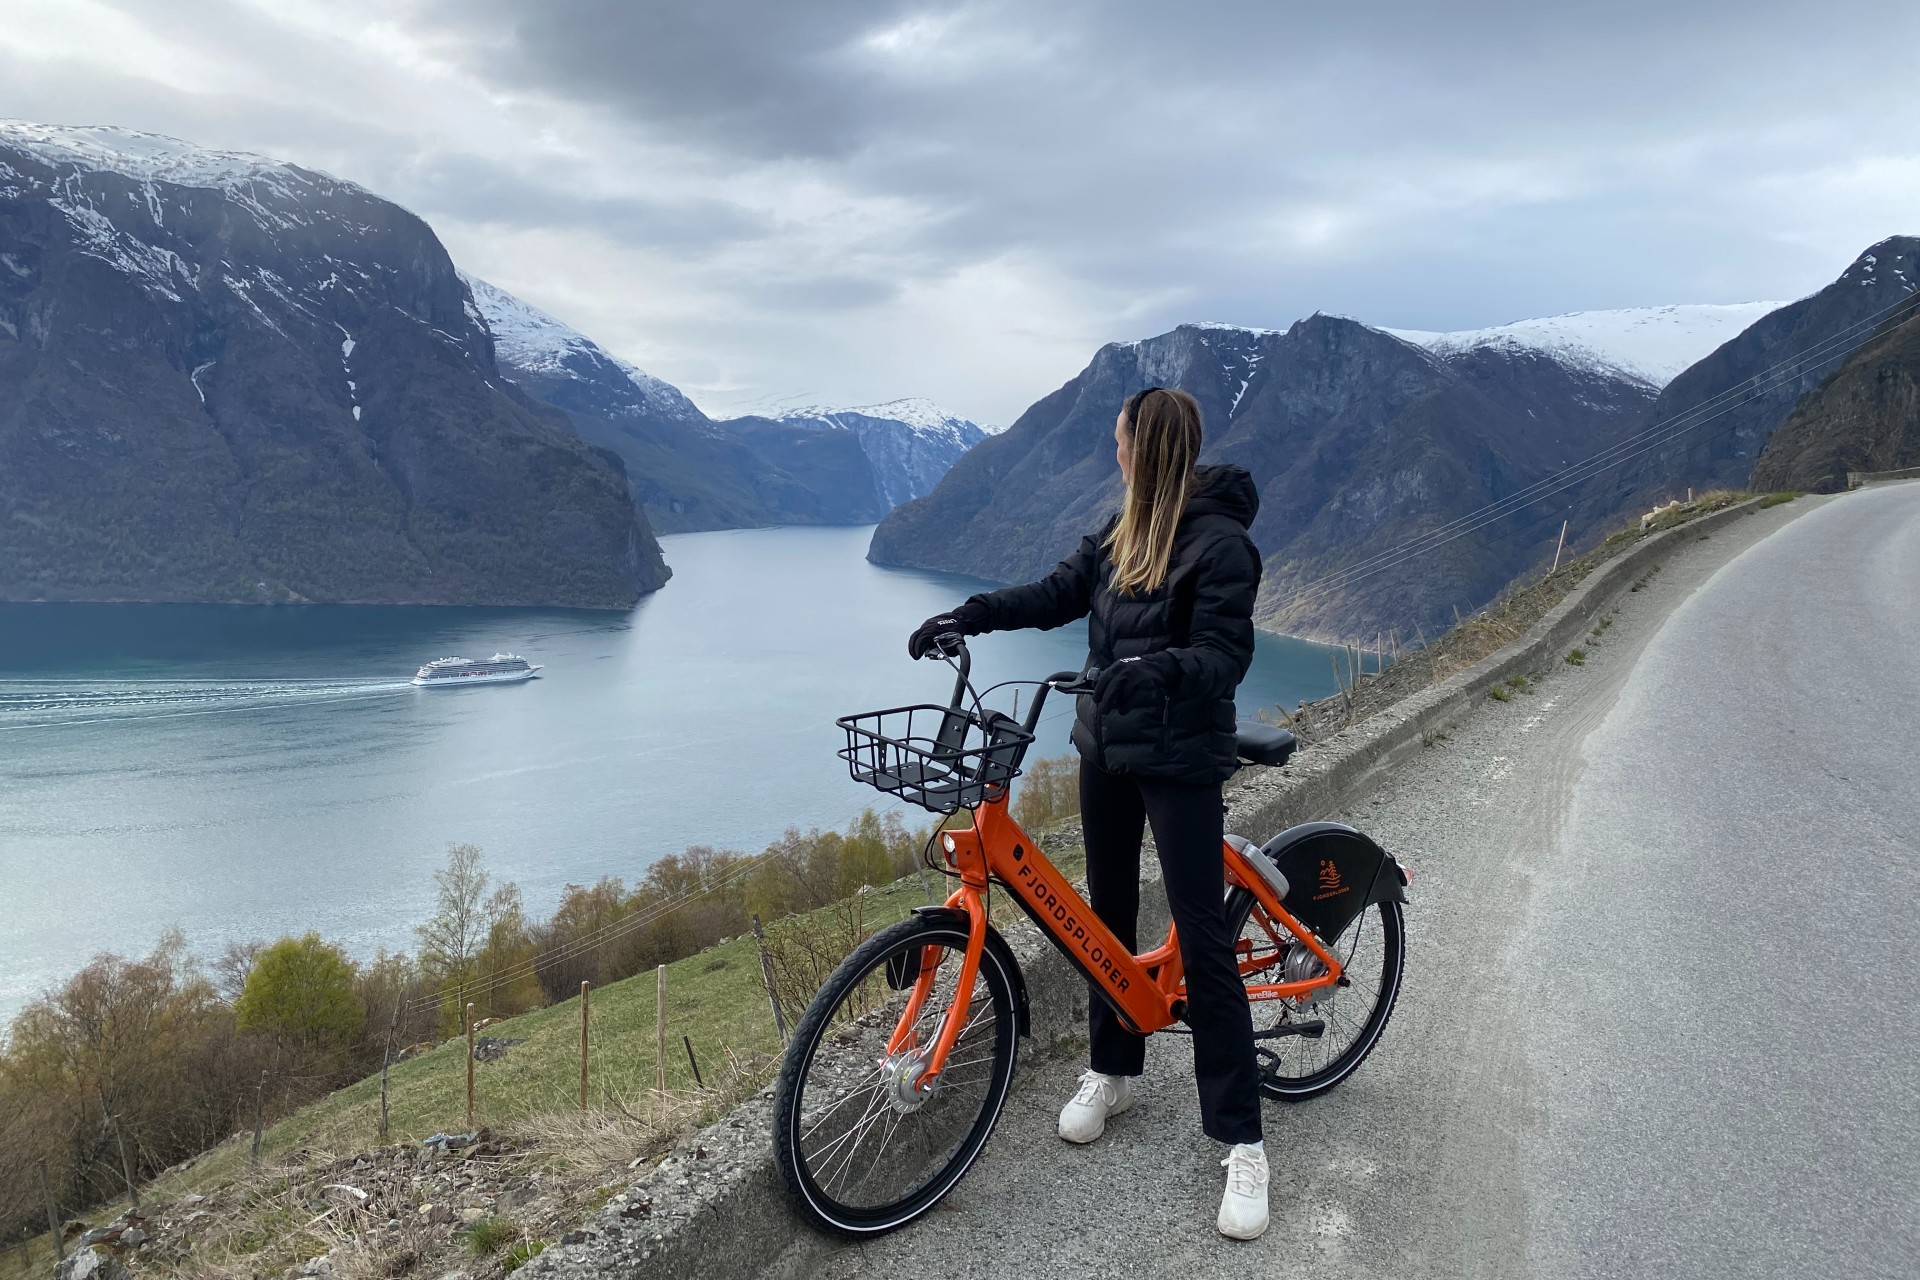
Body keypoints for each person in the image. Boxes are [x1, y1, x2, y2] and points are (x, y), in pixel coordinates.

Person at [905, 386, 1269, 1240]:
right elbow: (1058, 592)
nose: (1113, 451)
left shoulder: (1221, 544)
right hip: (1106, 751)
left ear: (1146, 447)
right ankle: (1114, 1070)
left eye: (1119, 441)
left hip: (1181, 761)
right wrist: (972, 615)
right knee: (1102, 922)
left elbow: (1224, 654)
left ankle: (1243, 1139)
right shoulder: (1119, 532)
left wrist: (1158, 671)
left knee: (1202, 940)